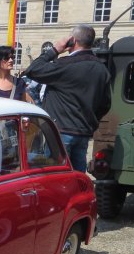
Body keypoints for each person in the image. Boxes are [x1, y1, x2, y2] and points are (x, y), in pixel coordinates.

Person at [23, 24, 111, 172]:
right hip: (83, 131)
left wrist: (54, 50)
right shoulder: (101, 68)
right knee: (77, 177)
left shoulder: (66, 65)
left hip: (61, 130)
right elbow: (105, 104)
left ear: (73, 41)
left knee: (55, 176)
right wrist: (90, 122)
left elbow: (32, 70)